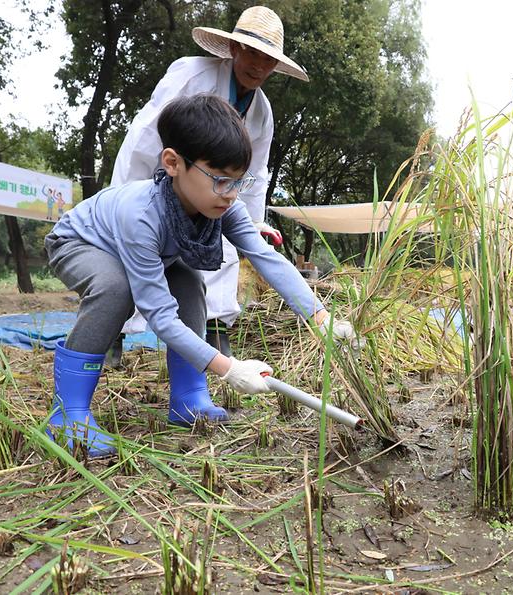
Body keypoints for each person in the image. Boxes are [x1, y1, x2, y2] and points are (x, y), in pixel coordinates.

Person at [43, 94, 352, 456]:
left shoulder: (224, 206)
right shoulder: (142, 215)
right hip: (81, 243)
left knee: (189, 279)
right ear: (173, 163)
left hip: (147, 252)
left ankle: (188, 396)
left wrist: (320, 317)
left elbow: (266, 258)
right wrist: (228, 368)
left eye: (238, 181)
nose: (231, 194)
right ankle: (68, 414)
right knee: (115, 289)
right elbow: (160, 316)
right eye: (220, 180)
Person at [110, 5, 307, 364]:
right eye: (252, 53)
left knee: (225, 242)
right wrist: (130, 194)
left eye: (268, 59)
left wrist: (253, 220)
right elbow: (145, 137)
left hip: (214, 189)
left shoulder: (262, 112)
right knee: (131, 249)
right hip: (159, 179)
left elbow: (255, 172)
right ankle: (112, 333)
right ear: (233, 48)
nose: (259, 66)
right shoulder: (192, 75)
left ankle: (217, 331)